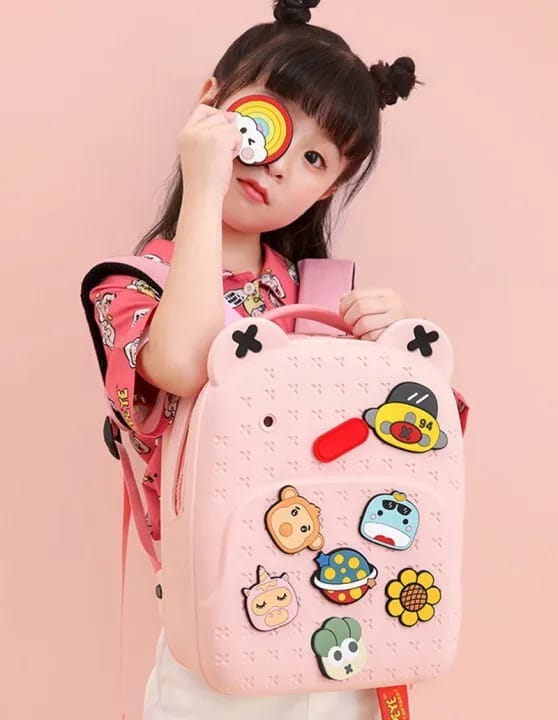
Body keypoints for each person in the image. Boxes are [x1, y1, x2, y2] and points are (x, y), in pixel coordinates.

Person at [87, 1, 469, 718]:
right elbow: (185, 365)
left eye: (317, 160)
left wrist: (392, 355)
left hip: (347, 619)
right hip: (218, 639)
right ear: (212, 103)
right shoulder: (131, 290)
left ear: (328, 191)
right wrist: (204, 183)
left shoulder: (320, 299)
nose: (280, 162)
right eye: (269, 123)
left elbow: (409, 452)